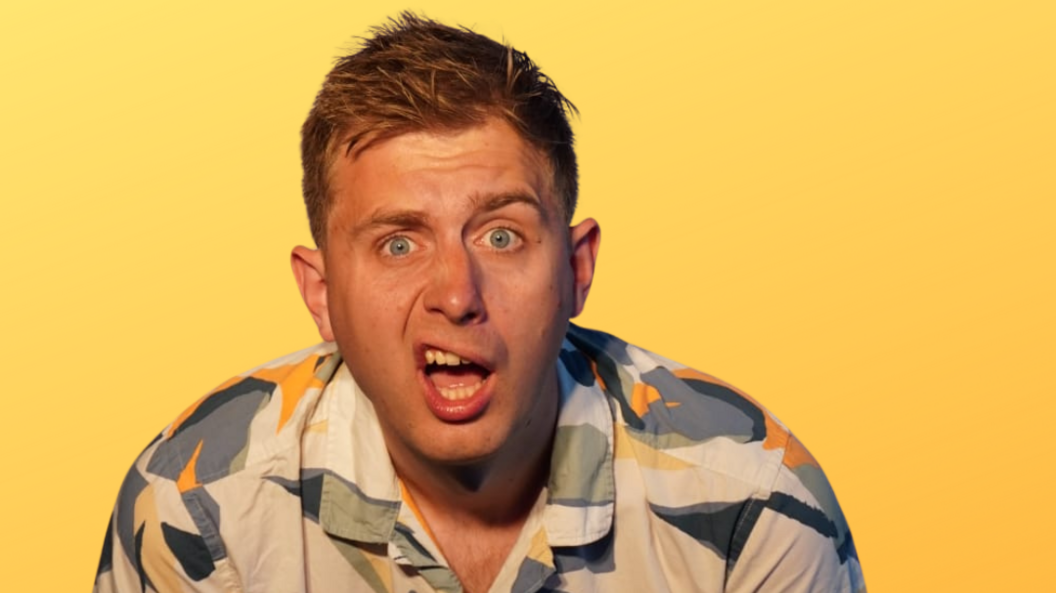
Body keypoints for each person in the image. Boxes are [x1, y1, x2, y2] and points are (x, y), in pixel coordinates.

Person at [94, 13, 865, 593]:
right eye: (399, 243)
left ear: (574, 268)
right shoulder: (196, 508)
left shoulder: (751, 501)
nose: (457, 295)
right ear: (321, 293)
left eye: (500, 236)